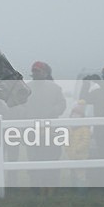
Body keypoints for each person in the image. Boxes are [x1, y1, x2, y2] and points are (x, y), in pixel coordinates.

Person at [22, 61, 66, 191]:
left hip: (51, 132)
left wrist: (53, 111)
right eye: (34, 71)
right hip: (32, 132)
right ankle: (35, 188)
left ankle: (53, 187)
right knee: (34, 160)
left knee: (52, 159)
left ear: (45, 73)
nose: (36, 73)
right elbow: (21, 106)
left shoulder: (55, 88)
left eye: (38, 71)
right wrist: (26, 113)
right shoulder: (26, 88)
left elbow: (62, 105)